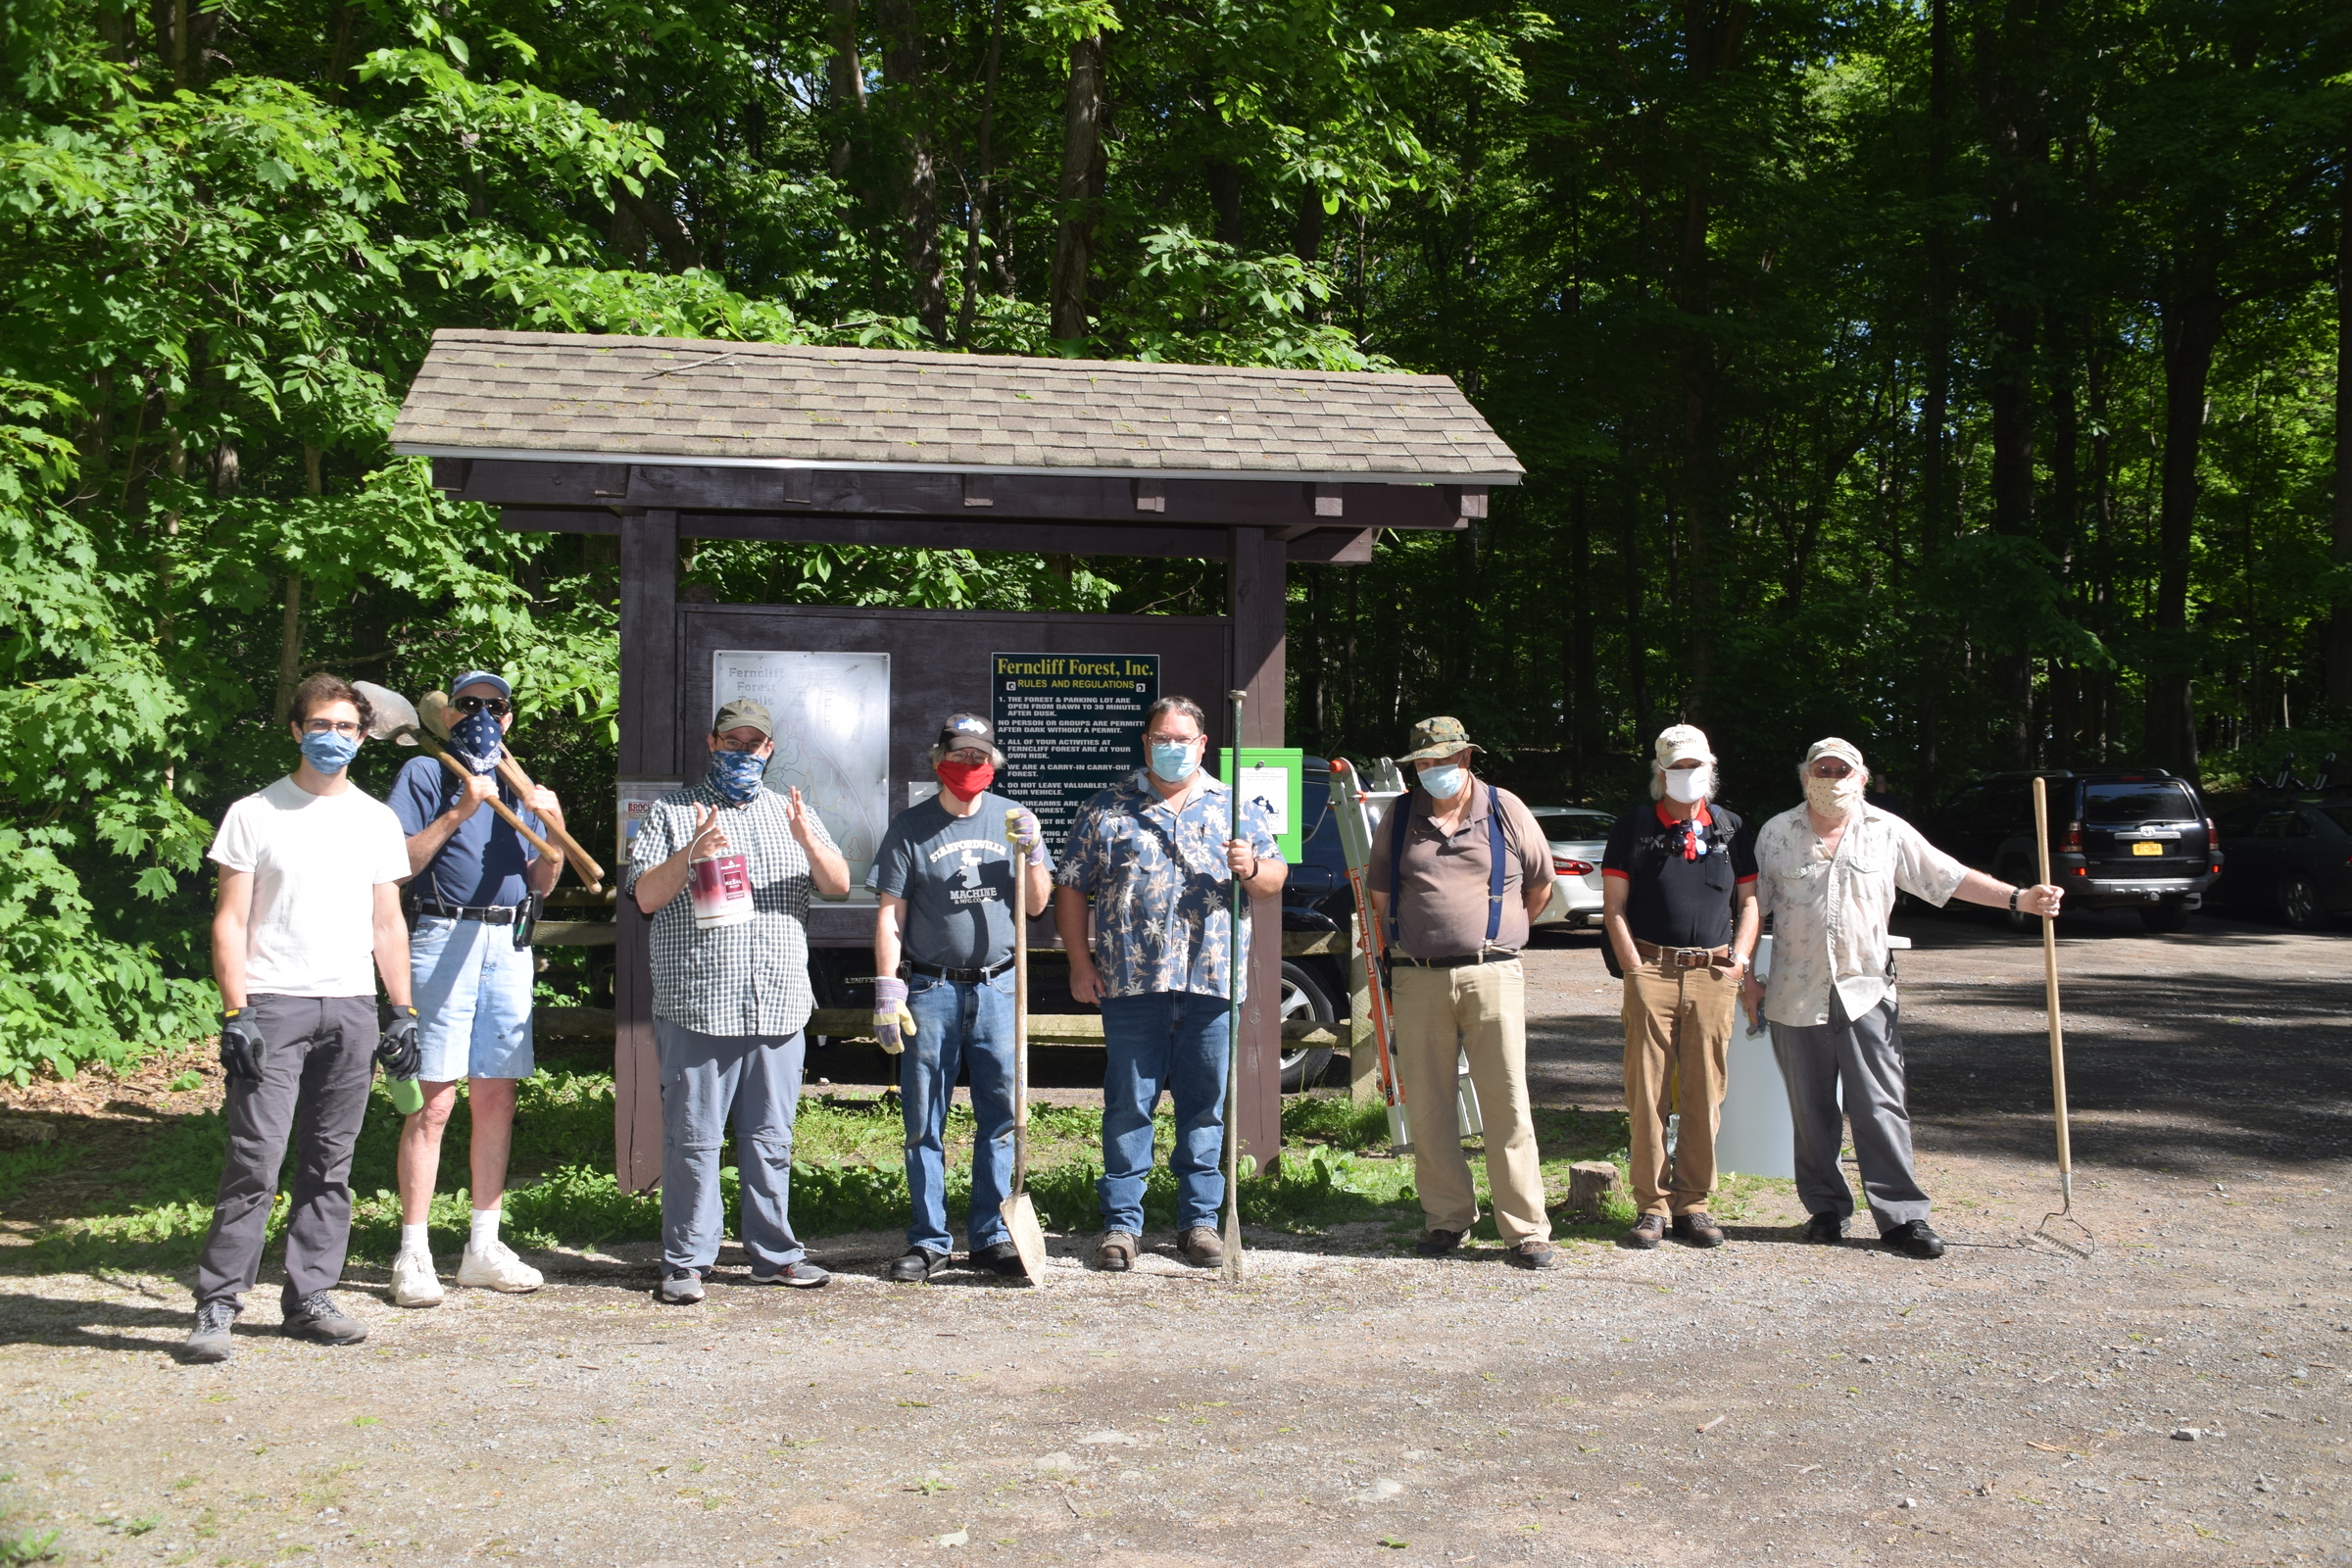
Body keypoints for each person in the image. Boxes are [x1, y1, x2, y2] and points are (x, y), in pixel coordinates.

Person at [1746, 738, 2063, 1258]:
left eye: (1842, 770)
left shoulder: (1887, 831)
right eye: (1821, 769)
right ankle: (1825, 1211)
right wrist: (1746, 975)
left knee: (1881, 1106)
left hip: (1867, 992)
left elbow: (1948, 877)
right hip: (1793, 993)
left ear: (1861, 778)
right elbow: (1750, 904)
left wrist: (2018, 898)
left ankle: (1902, 1219)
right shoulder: (1776, 833)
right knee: (1809, 1110)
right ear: (1805, 777)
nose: (1831, 778)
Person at [185, 674, 417, 1363]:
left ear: (363, 736)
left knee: (330, 1162)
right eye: (321, 724)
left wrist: (401, 1010)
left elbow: (387, 923)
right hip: (273, 1004)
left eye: (347, 727)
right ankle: (218, 1303)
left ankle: (310, 1296)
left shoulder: (375, 820)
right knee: (255, 1160)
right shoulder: (254, 813)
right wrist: (236, 1011)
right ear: (295, 730)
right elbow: (229, 920)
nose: (334, 737)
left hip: (350, 1006)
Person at [625, 697, 851, 1301]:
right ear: (712, 743)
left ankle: (774, 1254)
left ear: (769, 750)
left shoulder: (792, 811)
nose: (743, 753)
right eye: (733, 742)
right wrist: (691, 853)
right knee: (693, 1141)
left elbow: (838, 884)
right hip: (701, 1004)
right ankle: (686, 1262)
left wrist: (807, 839)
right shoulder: (674, 812)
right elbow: (645, 897)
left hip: (778, 1005)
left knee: (770, 1139)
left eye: (754, 744)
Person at [1054, 695, 1286, 1272]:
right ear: (1146, 742)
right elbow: (1071, 888)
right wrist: (1080, 962)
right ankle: (1121, 1225)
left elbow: (1275, 878)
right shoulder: (1106, 808)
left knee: (1204, 1108)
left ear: (1202, 745)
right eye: (1162, 738)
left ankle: (1200, 1222)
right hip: (1131, 985)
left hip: (1211, 983)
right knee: (1128, 1106)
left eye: (1183, 739)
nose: (1172, 748)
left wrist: (1251, 868)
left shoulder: (1237, 807)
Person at [385, 670, 565, 1307]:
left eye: (496, 705)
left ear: (509, 716)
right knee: (432, 1102)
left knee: (496, 1098)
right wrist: (461, 809)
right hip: (442, 934)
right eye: (469, 704)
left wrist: (553, 827)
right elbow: (399, 865)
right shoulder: (425, 772)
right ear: (449, 714)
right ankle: (413, 1253)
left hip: (509, 941)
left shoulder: (519, 779)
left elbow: (541, 881)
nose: (483, 715)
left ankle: (482, 1248)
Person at [1368, 716, 1561, 1269]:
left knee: (1507, 1102)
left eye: (1443, 761)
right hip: (1417, 975)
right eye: (1424, 763)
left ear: (1466, 760)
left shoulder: (1505, 808)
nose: (1433, 771)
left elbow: (1540, 887)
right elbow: (1380, 896)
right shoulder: (1400, 815)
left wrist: (1496, 934)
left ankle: (1525, 1229)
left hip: (1493, 973)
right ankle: (1446, 1218)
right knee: (1428, 1104)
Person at [868, 712, 1054, 1283]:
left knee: (1002, 1117)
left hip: (1000, 988)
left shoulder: (1013, 819)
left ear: (993, 763)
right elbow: (890, 915)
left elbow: (1037, 905)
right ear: (938, 760)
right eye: (957, 755)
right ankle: (929, 1241)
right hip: (931, 990)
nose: (968, 765)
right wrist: (888, 988)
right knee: (924, 1120)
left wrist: (1033, 851)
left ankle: (991, 1236)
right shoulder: (910, 827)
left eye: (978, 756)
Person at [1599, 723, 1760, 1250]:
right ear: (1660, 772)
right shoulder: (1634, 826)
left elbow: (1750, 902)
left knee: (1705, 1092)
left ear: (1711, 769)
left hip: (1714, 974)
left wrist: (1739, 962)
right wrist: (1634, 967)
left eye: (1696, 766)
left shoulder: (1732, 828)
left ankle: (1694, 1203)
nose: (1687, 774)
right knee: (1646, 1092)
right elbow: (1614, 907)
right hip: (1652, 970)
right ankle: (1651, 1206)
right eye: (1677, 767)